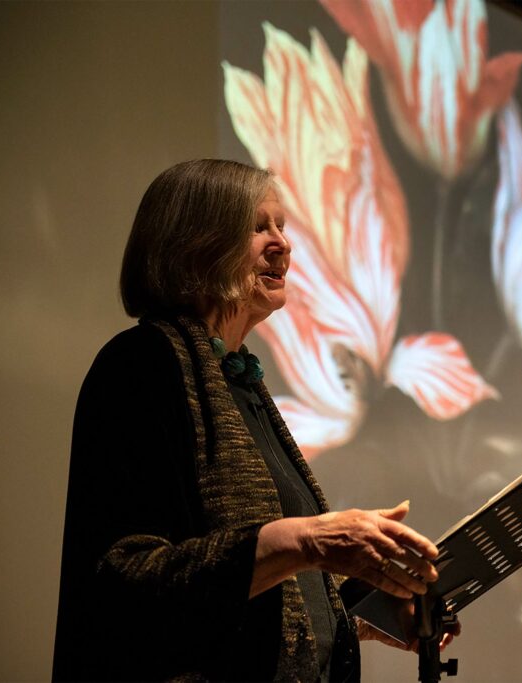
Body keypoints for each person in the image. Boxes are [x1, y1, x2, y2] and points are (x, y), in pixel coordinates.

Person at [53, 159, 454, 681]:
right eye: (257, 225)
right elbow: (123, 580)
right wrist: (306, 541)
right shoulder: (140, 366)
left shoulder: (240, 383)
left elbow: (254, 609)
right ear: (194, 245)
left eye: (282, 226)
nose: (282, 244)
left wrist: (362, 614)